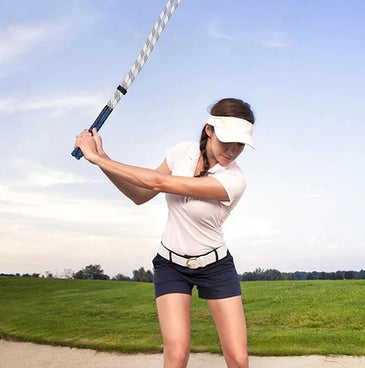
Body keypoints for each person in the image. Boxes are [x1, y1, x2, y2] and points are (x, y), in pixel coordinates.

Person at [74, 97, 255, 368]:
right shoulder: (181, 152)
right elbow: (141, 193)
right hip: (170, 265)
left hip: (215, 267)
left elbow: (159, 182)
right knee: (177, 354)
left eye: (241, 144)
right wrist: (102, 161)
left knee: (239, 359)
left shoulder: (233, 180)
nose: (233, 150)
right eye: (227, 139)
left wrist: (98, 157)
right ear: (209, 130)